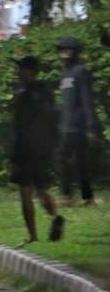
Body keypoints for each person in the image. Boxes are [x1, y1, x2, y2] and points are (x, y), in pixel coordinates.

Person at [8, 56, 65, 246]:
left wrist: (14, 156)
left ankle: (32, 236)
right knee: (41, 190)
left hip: (25, 150)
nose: (18, 72)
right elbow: (53, 119)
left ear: (30, 71)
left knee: (26, 194)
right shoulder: (45, 91)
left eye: (21, 69)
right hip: (43, 149)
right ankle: (55, 216)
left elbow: (19, 126)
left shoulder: (24, 93)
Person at [56, 37, 100, 206]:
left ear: (75, 51)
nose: (65, 53)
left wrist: (90, 125)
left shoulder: (80, 71)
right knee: (63, 160)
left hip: (78, 125)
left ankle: (87, 197)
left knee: (80, 161)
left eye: (68, 50)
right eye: (62, 50)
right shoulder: (65, 72)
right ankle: (68, 196)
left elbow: (86, 99)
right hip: (65, 125)